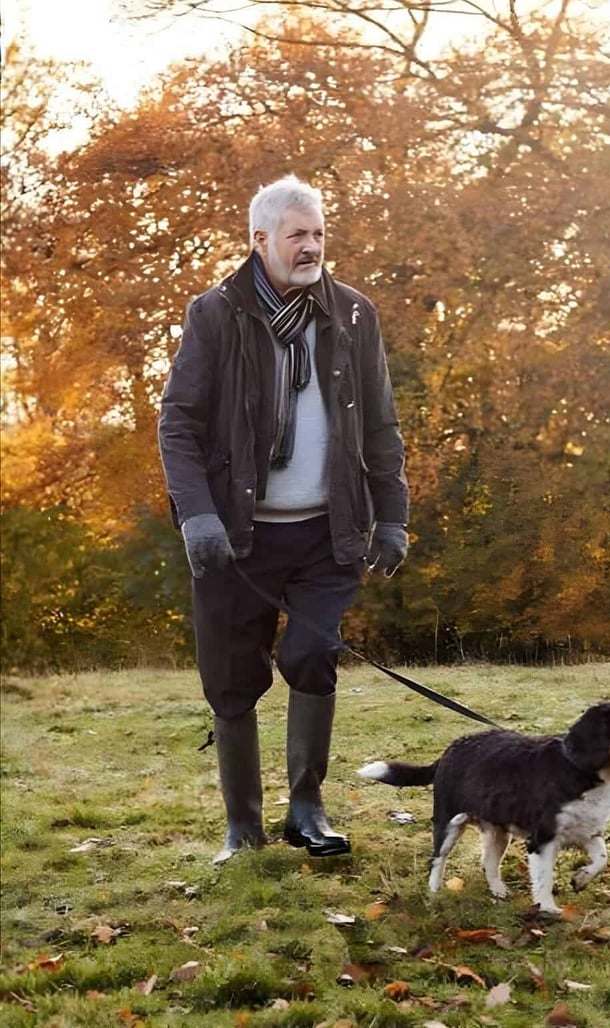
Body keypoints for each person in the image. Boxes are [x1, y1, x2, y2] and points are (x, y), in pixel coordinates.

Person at [158, 174, 409, 864]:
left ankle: (307, 807)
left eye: (319, 232)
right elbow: (177, 424)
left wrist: (393, 518)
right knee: (232, 677)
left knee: (311, 655)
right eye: (297, 234)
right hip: (235, 538)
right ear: (260, 241)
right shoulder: (215, 314)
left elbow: (381, 424)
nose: (312, 246)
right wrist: (197, 518)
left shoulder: (353, 314)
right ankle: (242, 828)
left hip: (328, 530)